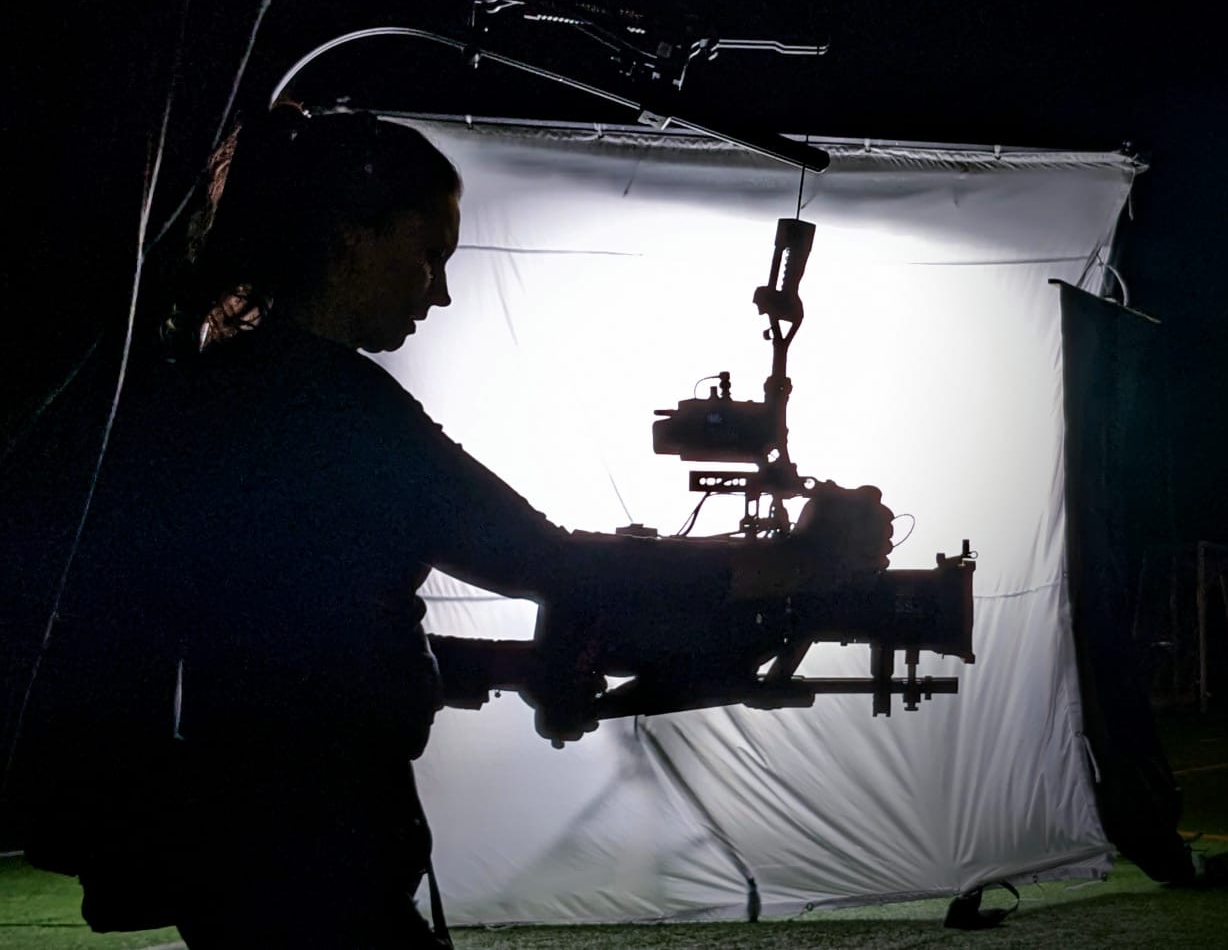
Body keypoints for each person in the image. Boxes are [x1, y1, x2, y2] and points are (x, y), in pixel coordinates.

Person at [11, 104, 891, 947]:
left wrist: (451, 663)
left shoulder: (218, 393)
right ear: (354, 242)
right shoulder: (341, 414)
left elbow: (277, 617)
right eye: (427, 256)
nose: (438, 294)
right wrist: (801, 562)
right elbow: (546, 561)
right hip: (309, 846)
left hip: (240, 842)